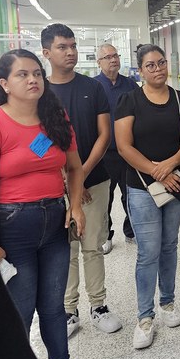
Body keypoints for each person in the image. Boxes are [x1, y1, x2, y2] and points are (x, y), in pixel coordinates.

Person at [0, 49, 93, 359]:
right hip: (12, 228)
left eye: (36, 73)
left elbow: (74, 166)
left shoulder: (55, 118)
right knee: (19, 311)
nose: (32, 79)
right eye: (22, 74)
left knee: (54, 305)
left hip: (55, 220)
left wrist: (76, 204)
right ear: (4, 83)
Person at [115, 44, 180, 349]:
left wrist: (170, 166)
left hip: (175, 182)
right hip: (141, 187)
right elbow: (124, 146)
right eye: (150, 65)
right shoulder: (130, 101)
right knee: (148, 251)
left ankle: (168, 302)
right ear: (140, 70)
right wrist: (156, 170)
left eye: (161, 63)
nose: (157, 69)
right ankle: (144, 315)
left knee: (169, 245)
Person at [42, 24, 122, 338]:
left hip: (96, 178)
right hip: (54, 186)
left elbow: (105, 135)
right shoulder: (41, 93)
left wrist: (82, 174)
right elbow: (36, 141)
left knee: (92, 245)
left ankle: (99, 305)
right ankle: (68, 310)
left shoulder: (93, 87)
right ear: (47, 53)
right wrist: (66, 178)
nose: (71, 51)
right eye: (62, 47)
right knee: (66, 248)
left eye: (73, 45)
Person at [94, 43, 139, 253]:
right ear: (99, 62)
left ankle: (131, 231)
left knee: (130, 194)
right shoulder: (94, 87)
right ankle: (106, 235)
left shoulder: (130, 85)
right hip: (105, 153)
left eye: (116, 56)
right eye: (108, 57)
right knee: (106, 197)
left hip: (128, 150)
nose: (113, 60)